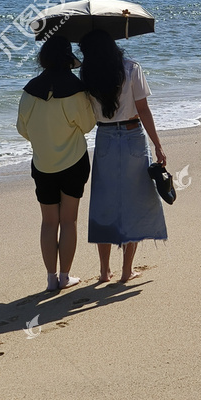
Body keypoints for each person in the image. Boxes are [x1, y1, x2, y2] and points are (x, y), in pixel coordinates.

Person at [79, 29, 167, 283]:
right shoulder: (131, 68)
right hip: (131, 135)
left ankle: (105, 271)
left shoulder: (87, 74)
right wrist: (158, 145)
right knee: (135, 201)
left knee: (104, 203)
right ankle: (127, 270)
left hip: (104, 137)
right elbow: (143, 109)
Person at [17, 34, 96, 292]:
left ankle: (51, 279)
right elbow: (87, 125)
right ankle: (65, 276)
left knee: (48, 222)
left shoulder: (30, 90)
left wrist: (44, 139)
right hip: (73, 162)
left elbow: (23, 129)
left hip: (43, 165)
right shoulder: (75, 90)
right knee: (69, 220)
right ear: (68, 60)